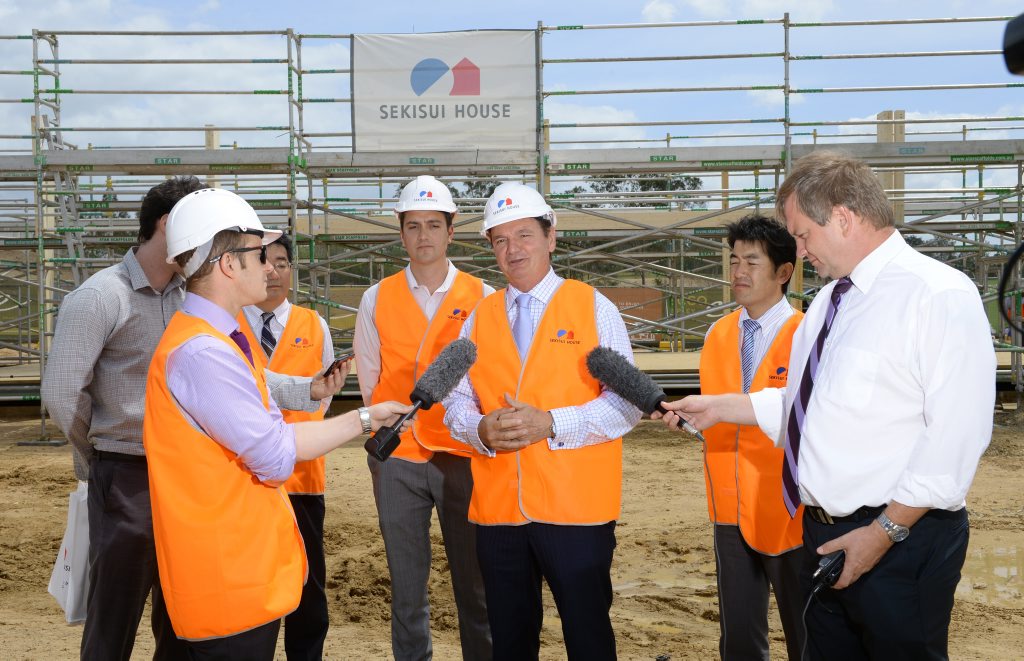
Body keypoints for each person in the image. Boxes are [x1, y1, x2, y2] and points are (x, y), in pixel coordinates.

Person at [657, 151, 995, 660]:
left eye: (802, 234)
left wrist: (883, 532)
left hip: (898, 539)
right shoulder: (831, 304)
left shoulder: (937, 294)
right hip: (821, 535)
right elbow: (806, 405)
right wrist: (723, 408)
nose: (798, 249)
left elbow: (955, 436)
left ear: (842, 216)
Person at [42, 177, 343, 661]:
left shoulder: (198, 297)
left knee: (181, 615)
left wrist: (306, 389)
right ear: (168, 225)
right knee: (114, 614)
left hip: (190, 482)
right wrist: (96, 456)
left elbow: (243, 382)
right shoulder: (101, 297)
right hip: (128, 477)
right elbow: (61, 393)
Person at [143, 187, 412, 658]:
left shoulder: (214, 336)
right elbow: (272, 454)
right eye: (258, 254)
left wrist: (361, 414)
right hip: (226, 584)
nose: (270, 267)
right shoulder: (203, 351)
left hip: (235, 573)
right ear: (227, 263)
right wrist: (366, 419)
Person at [443, 182, 642, 661]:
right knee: (509, 642)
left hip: (576, 511)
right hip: (499, 515)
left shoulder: (593, 307)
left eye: (525, 234)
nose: (513, 249)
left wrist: (552, 423)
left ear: (551, 238)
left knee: (588, 636)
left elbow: (627, 403)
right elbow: (456, 402)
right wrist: (478, 430)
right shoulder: (477, 318)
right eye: (500, 240)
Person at [353, 175, 492, 661]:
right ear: (401, 232)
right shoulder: (377, 297)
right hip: (398, 459)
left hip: (463, 456)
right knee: (407, 589)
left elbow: (491, 378)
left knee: (476, 587)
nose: (424, 236)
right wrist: (384, 445)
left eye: (434, 225)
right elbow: (371, 378)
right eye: (414, 226)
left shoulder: (484, 296)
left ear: (451, 231)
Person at [696, 214, 805, 660]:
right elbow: (717, 414)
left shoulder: (806, 335)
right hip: (729, 507)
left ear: (784, 272)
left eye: (752, 262)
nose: (738, 272)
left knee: (806, 631)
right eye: (734, 260)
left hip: (790, 510)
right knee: (739, 636)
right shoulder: (718, 334)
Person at [238, 233, 340, 660]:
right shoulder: (230, 323)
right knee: (252, 584)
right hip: (245, 481)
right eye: (264, 262)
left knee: (307, 586)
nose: (273, 272)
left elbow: (326, 393)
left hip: (301, 479)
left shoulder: (313, 324)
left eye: (282, 262)